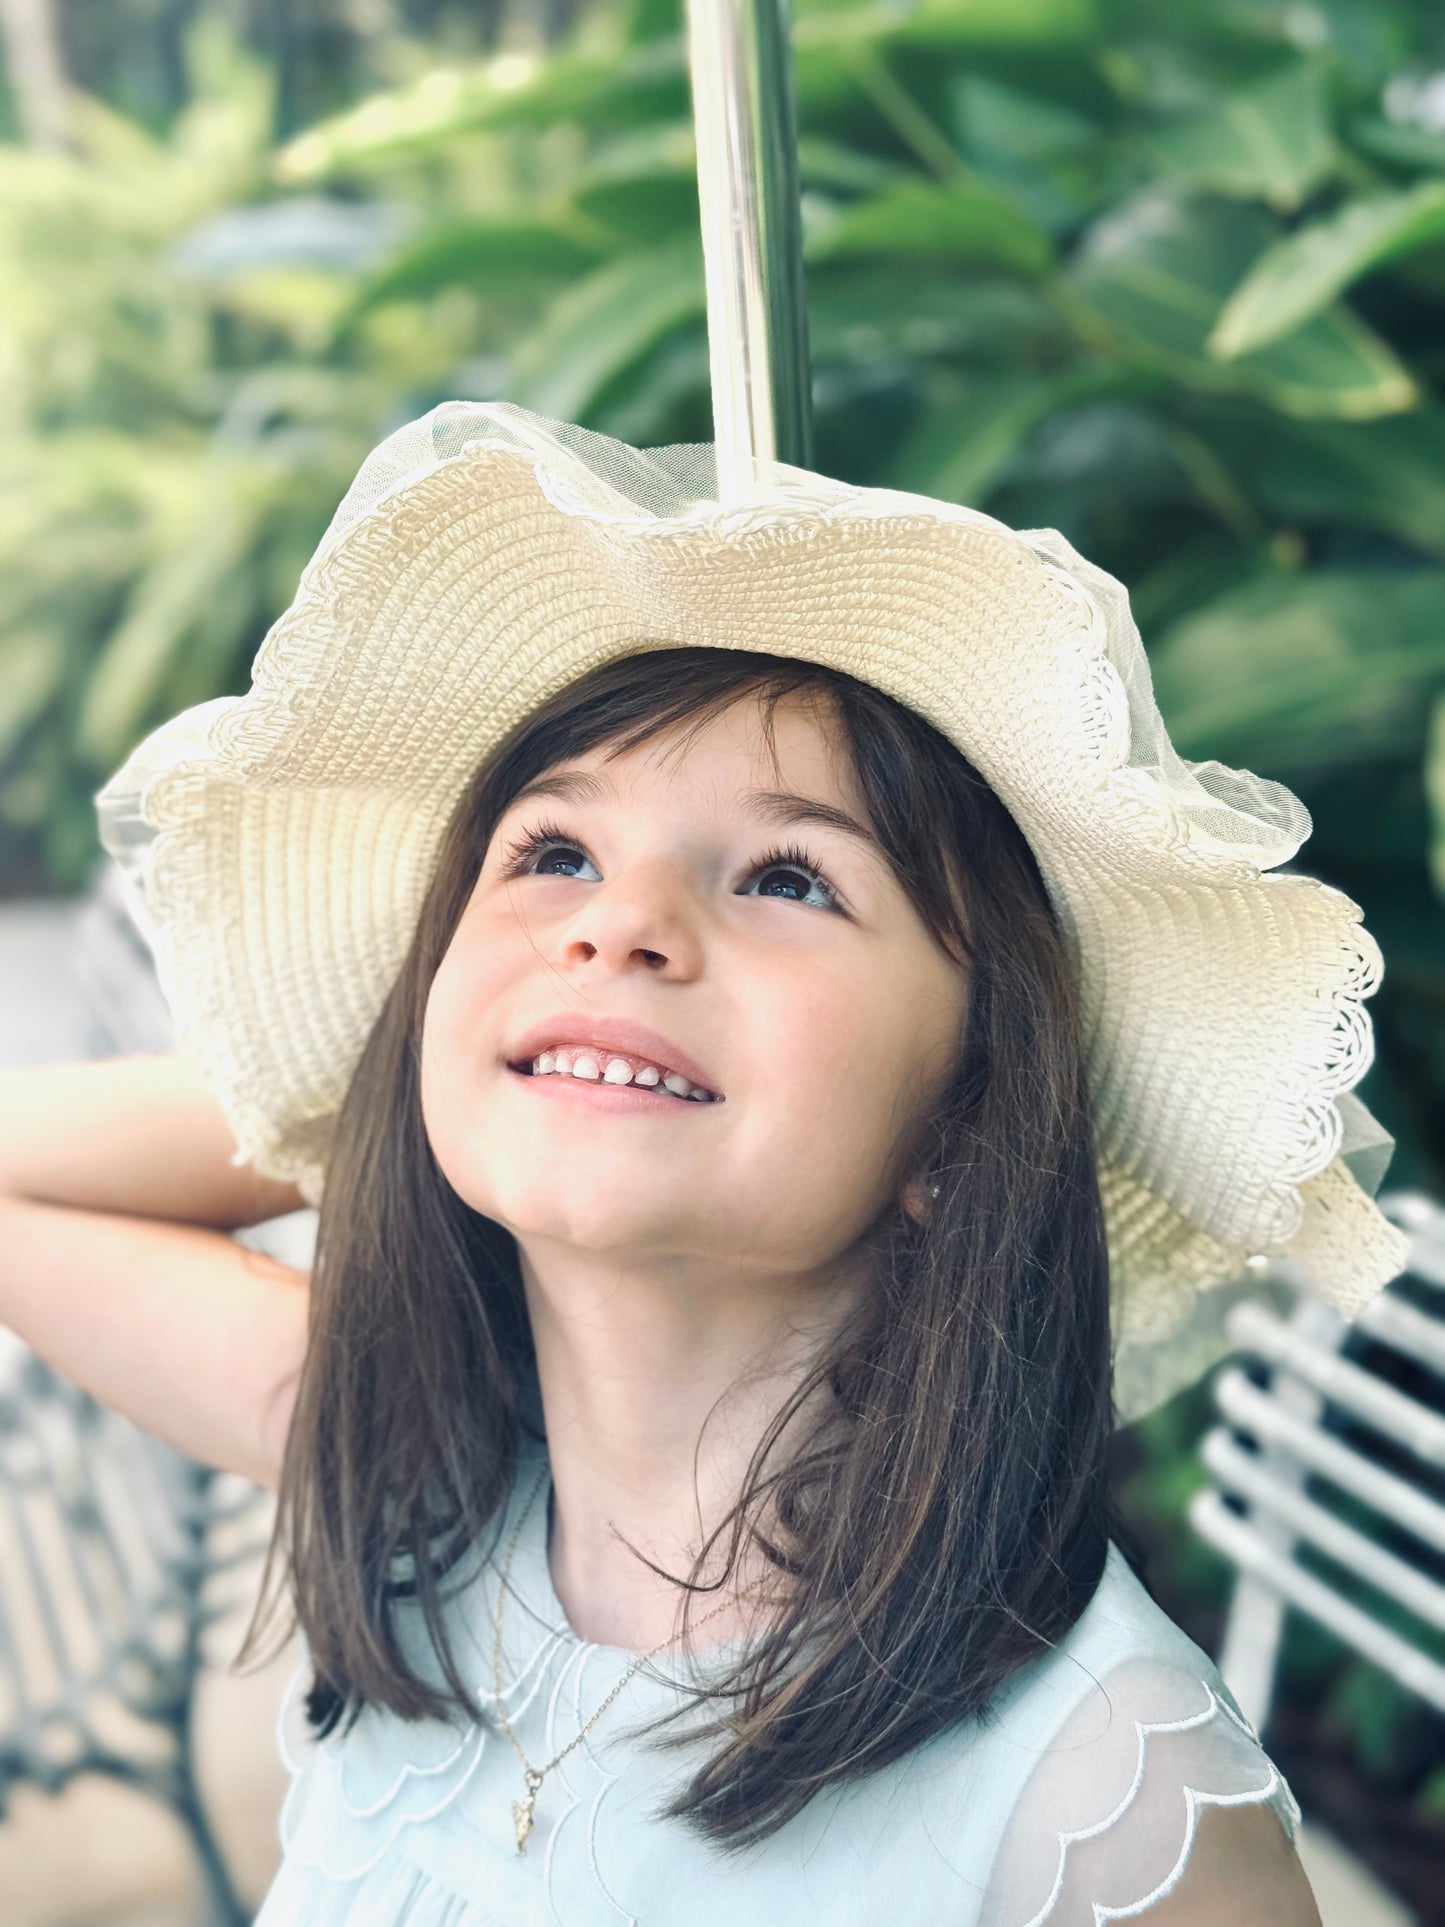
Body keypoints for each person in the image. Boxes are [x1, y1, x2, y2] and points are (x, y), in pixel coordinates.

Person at [0, 402, 1409, 1923]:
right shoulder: (421, 1484)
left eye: (791, 875)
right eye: (551, 853)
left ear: (957, 1117)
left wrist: (545, 1062)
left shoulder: (1101, 1797)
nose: (616, 922)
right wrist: (449, 1079)